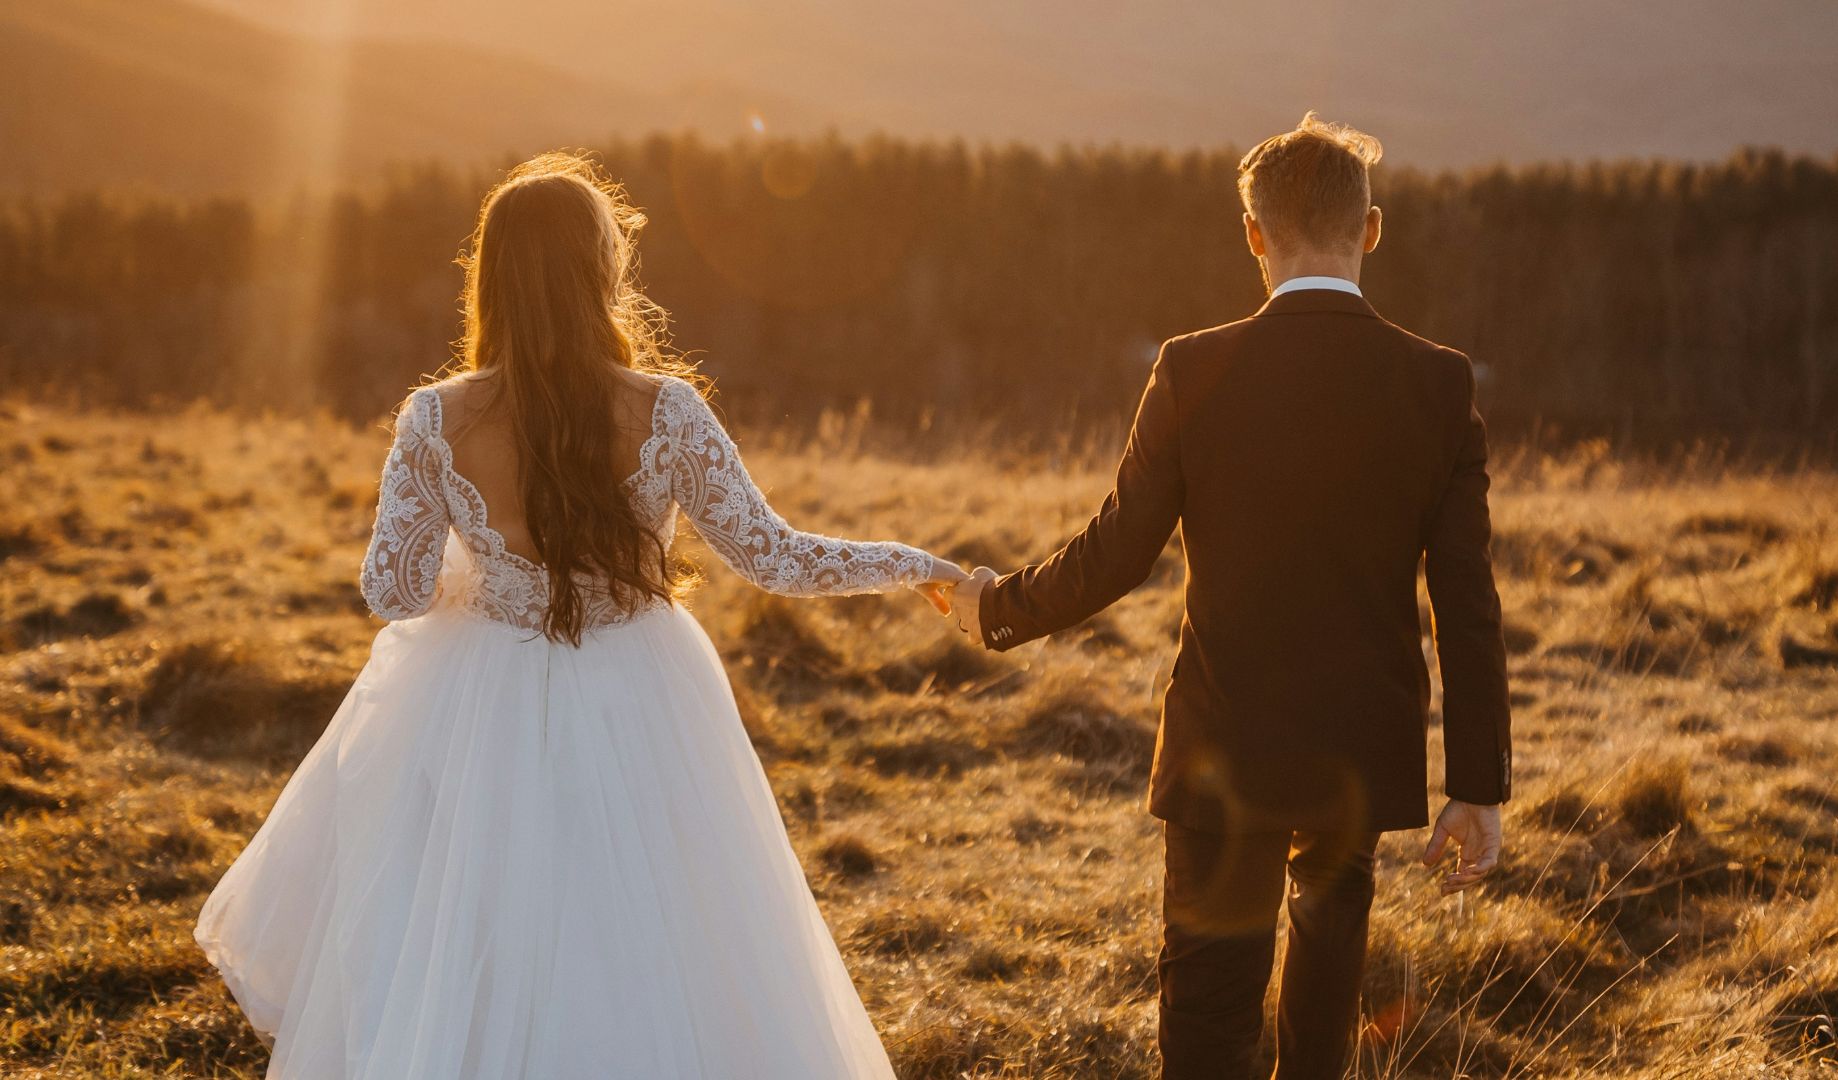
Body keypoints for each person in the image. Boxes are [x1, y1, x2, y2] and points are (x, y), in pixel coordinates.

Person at [194, 152, 964, 1078]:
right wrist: (922, 566)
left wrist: (481, 577)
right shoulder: (667, 410)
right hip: (646, 689)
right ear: (601, 273)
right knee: (659, 931)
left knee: (476, 931)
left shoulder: (436, 419)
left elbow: (391, 592)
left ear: (492, 279)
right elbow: (777, 558)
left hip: (478, 695)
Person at [947, 111, 1513, 1080]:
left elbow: (1115, 551)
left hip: (1222, 744)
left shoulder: (1192, 369)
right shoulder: (1438, 385)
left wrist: (996, 607)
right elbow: (1468, 606)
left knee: (1206, 1029)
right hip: (1356, 751)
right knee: (1323, 1019)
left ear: (1253, 234)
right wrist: (1478, 787)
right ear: (1370, 230)